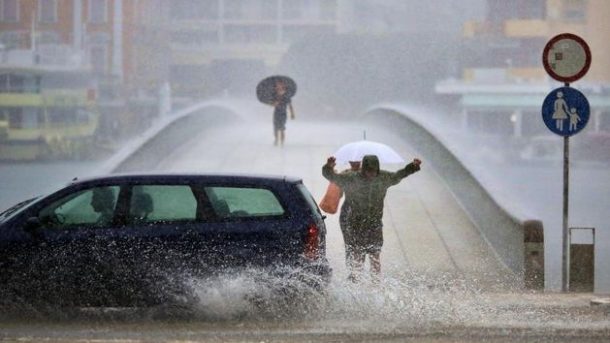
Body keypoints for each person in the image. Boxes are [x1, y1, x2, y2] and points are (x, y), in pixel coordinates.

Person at [322, 154, 421, 283]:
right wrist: (328, 167)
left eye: (374, 171)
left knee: (375, 257)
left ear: (377, 170)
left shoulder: (383, 178)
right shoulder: (352, 178)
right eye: (369, 171)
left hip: (375, 225)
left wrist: (412, 167)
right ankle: (356, 282)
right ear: (364, 170)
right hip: (356, 225)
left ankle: (375, 283)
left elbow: (399, 175)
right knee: (358, 256)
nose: (371, 174)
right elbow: (333, 177)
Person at [271, 80, 295, 147]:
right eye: (277, 85)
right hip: (276, 113)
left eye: (280, 85)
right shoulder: (275, 95)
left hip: (283, 113)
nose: (278, 86)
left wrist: (292, 113)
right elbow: (272, 104)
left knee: (282, 128)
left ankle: (282, 143)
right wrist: (274, 103)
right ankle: (276, 139)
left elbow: (290, 105)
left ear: (283, 86)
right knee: (275, 128)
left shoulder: (286, 96)